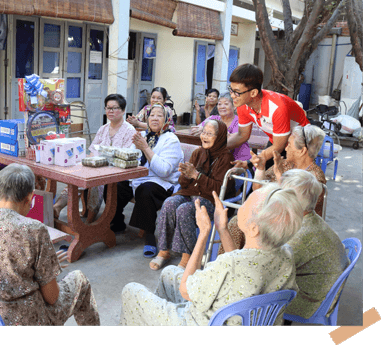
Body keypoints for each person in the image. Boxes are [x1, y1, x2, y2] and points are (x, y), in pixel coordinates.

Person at [120, 182, 302, 326]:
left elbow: (185, 290)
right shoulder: (285, 255)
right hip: (242, 319)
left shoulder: (228, 264)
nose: (241, 205)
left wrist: (204, 233)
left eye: (246, 203)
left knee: (131, 291)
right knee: (168, 274)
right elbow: (244, 262)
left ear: (253, 228)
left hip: (201, 321)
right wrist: (222, 228)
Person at [0, 164, 100, 326]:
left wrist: (44, 269)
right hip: (27, 319)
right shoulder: (34, 230)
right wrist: (47, 274)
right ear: (30, 198)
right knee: (80, 280)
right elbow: (52, 297)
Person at [152, 119, 235, 271]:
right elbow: (183, 184)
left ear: (220, 136)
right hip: (191, 194)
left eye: (210, 134)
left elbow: (218, 188)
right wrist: (184, 174)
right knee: (170, 203)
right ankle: (164, 251)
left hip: (211, 200)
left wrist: (196, 175)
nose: (204, 136)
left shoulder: (226, 158)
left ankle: (187, 257)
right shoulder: (198, 153)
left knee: (185, 210)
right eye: (203, 132)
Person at [277, 170, 350, 323]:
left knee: (260, 291)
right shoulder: (311, 219)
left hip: (313, 302)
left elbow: (273, 272)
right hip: (322, 287)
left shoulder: (300, 236)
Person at [113, 103, 183, 257]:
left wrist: (145, 148)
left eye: (160, 115)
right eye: (152, 115)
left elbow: (164, 171)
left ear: (167, 120)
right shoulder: (143, 136)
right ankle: (116, 222)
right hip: (141, 178)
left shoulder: (171, 140)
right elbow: (132, 161)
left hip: (162, 183)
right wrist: (137, 150)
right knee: (115, 185)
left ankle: (150, 236)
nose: (155, 118)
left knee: (146, 190)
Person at [53, 94, 135, 219]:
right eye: (108, 108)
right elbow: (92, 151)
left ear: (123, 110)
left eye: (114, 108)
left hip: (117, 172)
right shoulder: (103, 129)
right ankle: (57, 207)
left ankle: (91, 221)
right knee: (78, 176)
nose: (110, 111)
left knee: (97, 181)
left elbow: (125, 157)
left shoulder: (129, 131)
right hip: (98, 167)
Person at [226, 63, 309, 169]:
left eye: (237, 92)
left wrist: (249, 163)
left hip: (301, 143)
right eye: (231, 89)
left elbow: (279, 147)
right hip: (278, 140)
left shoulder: (277, 107)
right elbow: (242, 135)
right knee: (261, 177)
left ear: (253, 93)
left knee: (288, 180)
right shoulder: (243, 104)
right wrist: (218, 147)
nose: (232, 95)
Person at [233, 124, 327, 217]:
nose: (286, 149)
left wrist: (280, 177)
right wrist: (260, 169)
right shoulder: (284, 163)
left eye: (289, 145)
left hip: (293, 226)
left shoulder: (314, 177)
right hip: (270, 215)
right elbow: (257, 189)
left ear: (302, 151)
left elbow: (292, 208)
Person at [191, 92, 251, 162]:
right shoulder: (213, 118)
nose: (222, 107)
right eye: (219, 104)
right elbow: (195, 129)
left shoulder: (239, 121)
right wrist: (204, 130)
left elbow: (230, 140)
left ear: (234, 106)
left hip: (239, 162)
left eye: (226, 104)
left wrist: (207, 131)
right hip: (218, 161)